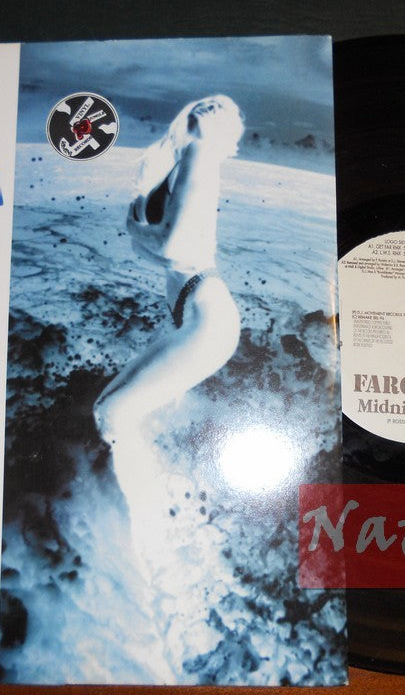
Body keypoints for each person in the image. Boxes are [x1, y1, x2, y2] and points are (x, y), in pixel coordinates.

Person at [94, 95, 245, 528]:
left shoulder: (199, 157)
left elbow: (172, 247)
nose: (211, 107)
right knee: (110, 412)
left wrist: (135, 227)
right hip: (197, 316)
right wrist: (145, 232)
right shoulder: (187, 160)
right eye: (209, 103)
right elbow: (163, 251)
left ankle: (152, 516)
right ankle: (163, 506)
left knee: (112, 413)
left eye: (221, 108)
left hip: (205, 320)